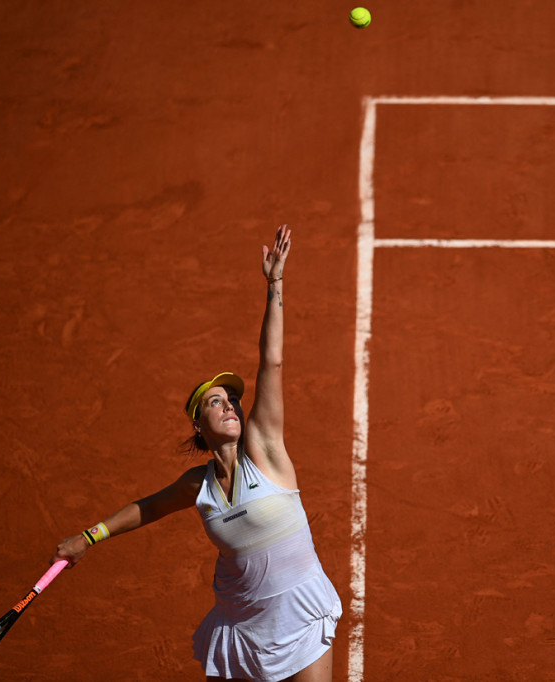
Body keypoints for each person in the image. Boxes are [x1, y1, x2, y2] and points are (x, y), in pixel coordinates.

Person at [53, 226, 342, 682]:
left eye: (231, 399)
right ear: (198, 425)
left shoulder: (264, 448)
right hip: (241, 625)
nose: (229, 404)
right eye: (215, 401)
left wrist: (275, 285)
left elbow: (272, 362)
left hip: (301, 613)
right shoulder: (199, 485)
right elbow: (148, 507)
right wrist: (89, 538)